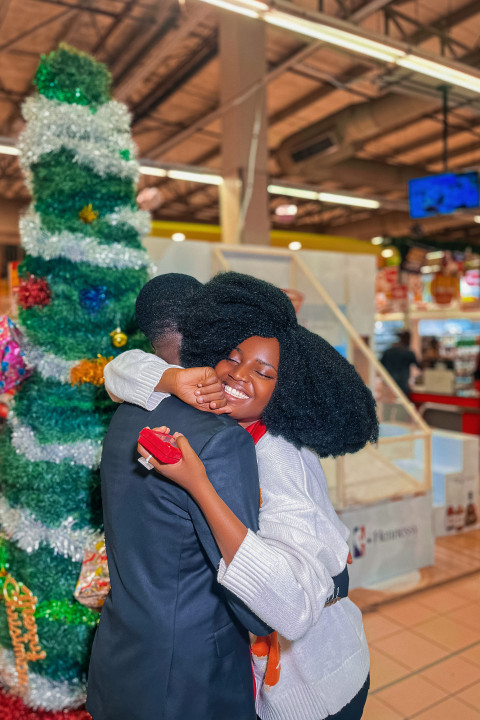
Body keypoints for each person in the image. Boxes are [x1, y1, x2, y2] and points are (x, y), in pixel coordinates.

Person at [106, 271, 378, 720]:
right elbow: (120, 370)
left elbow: (291, 609)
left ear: (284, 392)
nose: (238, 374)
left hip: (320, 691)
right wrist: (174, 379)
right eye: (234, 357)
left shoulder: (280, 456)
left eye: (263, 372)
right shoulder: (225, 420)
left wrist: (199, 487)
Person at [86, 273, 272, 720]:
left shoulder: (127, 413)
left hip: (124, 649)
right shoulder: (221, 438)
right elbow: (248, 583)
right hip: (193, 673)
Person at [380, 330, 421, 398]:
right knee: (402, 406)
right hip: (402, 386)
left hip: (388, 385)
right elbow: (419, 366)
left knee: (388, 405)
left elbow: (381, 366)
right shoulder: (408, 353)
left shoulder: (388, 352)